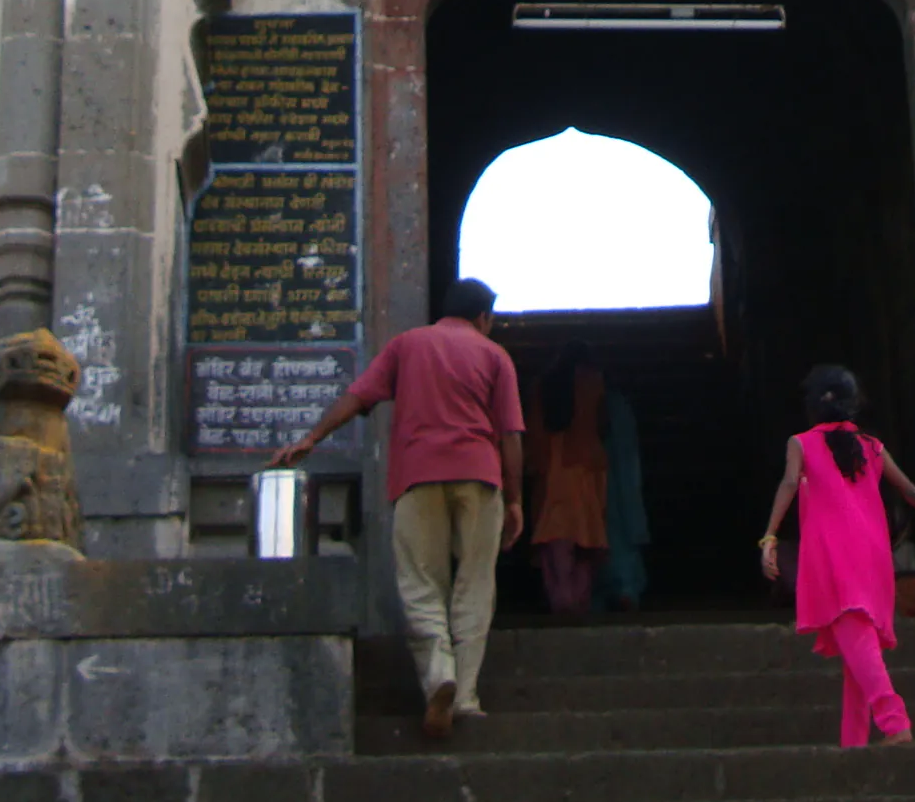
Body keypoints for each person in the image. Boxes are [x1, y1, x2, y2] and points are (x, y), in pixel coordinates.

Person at [273, 278, 523, 740]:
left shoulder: (407, 345)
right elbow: (510, 434)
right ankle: (465, 697)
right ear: (484, 317)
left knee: (421, 583)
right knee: (474, 585)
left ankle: (437, 674)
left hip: (418, 474)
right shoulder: (494, 356)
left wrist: (311, 438)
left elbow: (358, 396)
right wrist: (515, 500)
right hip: (479, 475)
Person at [758, 365, 915, 747]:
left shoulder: (802, 443)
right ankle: (854, 746)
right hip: (872, 553)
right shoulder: (872, 446)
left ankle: (895, 723)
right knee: (855, 649)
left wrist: (769, 537)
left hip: (830, 553)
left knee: (854, 637)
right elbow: (913, 493)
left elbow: (790, 483)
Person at [527, 343, 609, 615]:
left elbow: (535, 437)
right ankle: (579, 604)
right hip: (589, 470)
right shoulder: (594, 382)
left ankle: (561, 603)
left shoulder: (544, 386)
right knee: (586, 547)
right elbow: (602, 424)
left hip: (553, 471)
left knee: (556, 550)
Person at [597, 382, 650, 613]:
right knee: (621, 523)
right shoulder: (616, 403)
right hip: (617, 477)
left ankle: (609, 589)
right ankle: (626, 587)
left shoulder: (594, 399)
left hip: (593, 474)